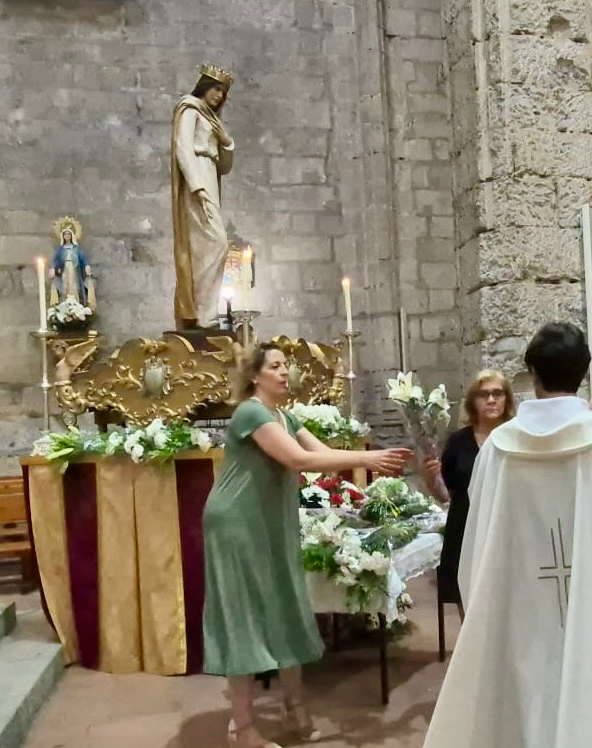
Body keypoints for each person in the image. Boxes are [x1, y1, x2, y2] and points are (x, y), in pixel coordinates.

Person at [423, 322, 592, 748]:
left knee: (525, 699)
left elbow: (478, 542)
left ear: (532, 374)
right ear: (583, 372)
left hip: (519, 612)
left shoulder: (497, 450)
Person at [203, 343, 411, 748]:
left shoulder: (286, 415)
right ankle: (243, 728)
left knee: (285, 604)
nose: (285, 372)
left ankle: (294, 708)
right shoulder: (251, 412)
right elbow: (299, 461)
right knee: (244, 616)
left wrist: (371, 457)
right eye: (275, 366)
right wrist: (369, 461)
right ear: (254, 376)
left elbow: (323, 453)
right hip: (236, 522)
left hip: (268, 521)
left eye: (286, 366)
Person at [420, 370, 516, 614]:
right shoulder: (458, 442)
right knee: (468, 597)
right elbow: (446, 496)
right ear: (473, 401)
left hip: (507, 525)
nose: (491, 400)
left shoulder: (518, 436)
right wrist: (432, 480)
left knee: (508, 599)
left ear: (507, 399)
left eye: (497, 393)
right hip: (465, 526)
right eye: (484, 395)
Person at [172, 64, 235, 329]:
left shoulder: (212, 119)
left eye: (223, 92)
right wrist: (197, 186)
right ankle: (200, 311)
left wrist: (226, 141)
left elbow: (225, 167)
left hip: (209, 175)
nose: (219, 95)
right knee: (215, 243)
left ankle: (206, 311)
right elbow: (183, 148)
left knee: (210, 246)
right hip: (197, 179)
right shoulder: (190, 109)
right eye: (216, 89)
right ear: (204, 86)